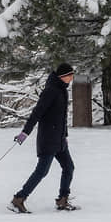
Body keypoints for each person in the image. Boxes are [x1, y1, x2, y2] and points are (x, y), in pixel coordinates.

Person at [10, 62, 77, 213]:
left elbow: (62, 117)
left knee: (69, 167)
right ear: (63, 76)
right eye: (70, 75)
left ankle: (62, 200)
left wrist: (64, 135)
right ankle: (18, 199)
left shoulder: (62, 90)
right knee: (42, 171)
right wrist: (25, 133)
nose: (72, 78)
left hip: (59, 139)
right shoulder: (51, 91)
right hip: (48, 139)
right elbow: (37, 113)